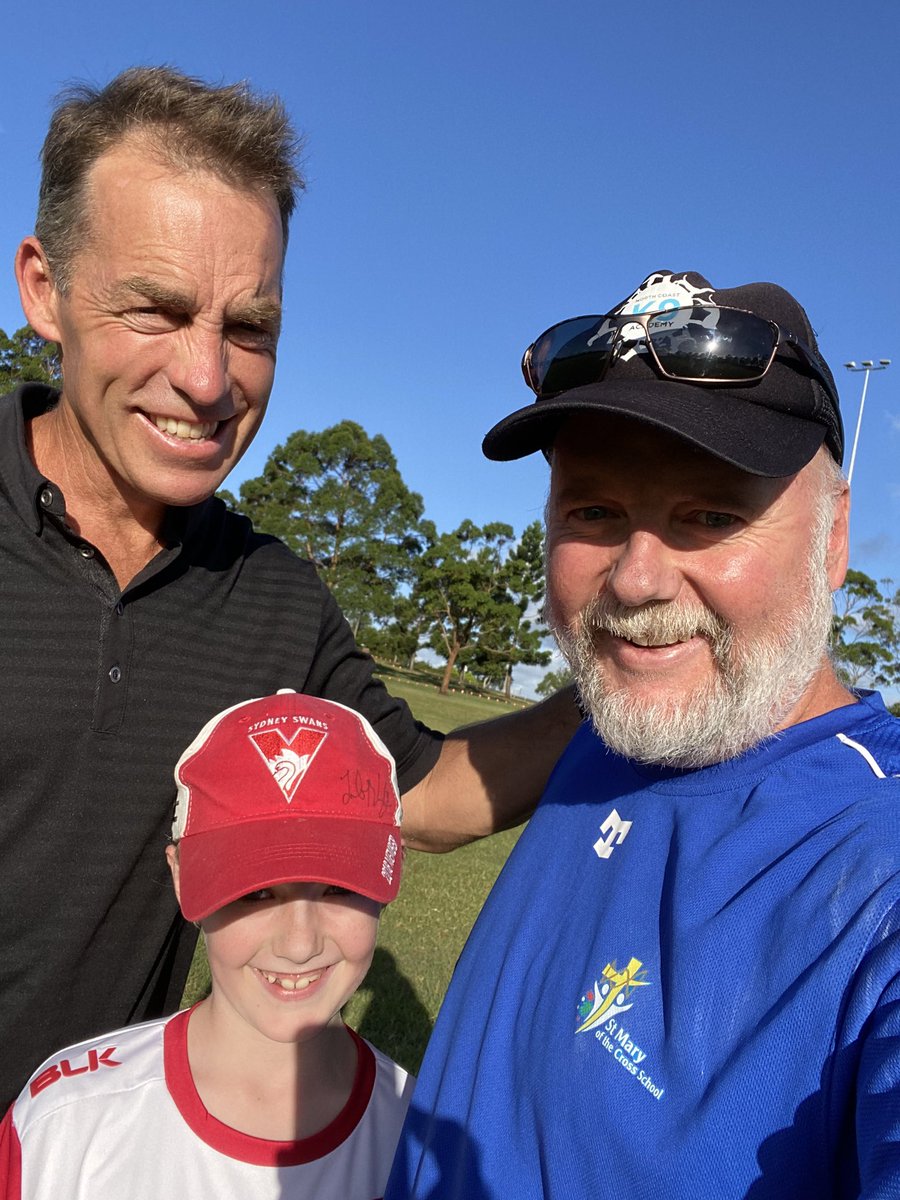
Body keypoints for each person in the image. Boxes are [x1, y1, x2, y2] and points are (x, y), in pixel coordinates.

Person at [0, 66, 578, 1104]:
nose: (208, 379)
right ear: (46, 289)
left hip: (75, 1155)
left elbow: (423, 794)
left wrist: (633, 680)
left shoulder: (271, 597)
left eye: (249, 327)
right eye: (156, 310)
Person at [386, 270, 900, 1198]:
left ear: (832, 541)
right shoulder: (615, 722)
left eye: (711, 515)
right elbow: (419, 803)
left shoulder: (874, 864)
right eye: (595, 512)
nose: (635, 580)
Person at [1, 691, 416, 1198]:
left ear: (391, 870)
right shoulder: (67, 1123)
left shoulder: (419, 1141)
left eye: (338, 887)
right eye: (256, 892)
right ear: (182, 878)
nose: (299, 943)